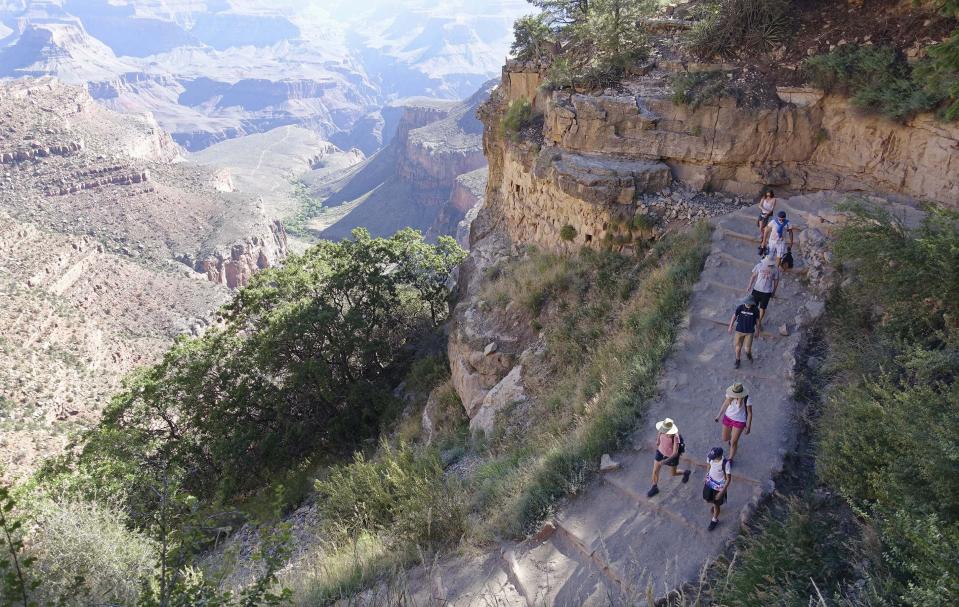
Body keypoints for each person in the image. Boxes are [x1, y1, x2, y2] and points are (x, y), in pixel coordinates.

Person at [646, 417, 691, 498]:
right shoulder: (662, 429)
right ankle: (654, 487)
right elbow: (659, 433)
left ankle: (685, 472)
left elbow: (675, 453)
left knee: (673, 473)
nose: (665, 432)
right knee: (655, 470)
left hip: (670, 457)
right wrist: (658, 441)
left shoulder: (676, 437)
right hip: (660, 452)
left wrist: (665, 461)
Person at [714, 383, 752, 462]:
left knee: (734, 442)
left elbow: (750, 413)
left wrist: (748, 426)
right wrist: (718, 415)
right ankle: (731, 438)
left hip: (739, 421)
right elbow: (725, 404)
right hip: (728, 418)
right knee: (725, 438)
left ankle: (730, 459)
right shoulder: (729, 395)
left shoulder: (747, 399)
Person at [745, 255, 781, 333]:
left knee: (763, 308)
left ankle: (758, 322)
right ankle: (751, 320)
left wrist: (774, 291)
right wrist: (749, 285)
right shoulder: (759, 265)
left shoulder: (775, 269)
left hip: (767, 291)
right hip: (757, 289)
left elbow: (776, 281)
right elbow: (753, 276)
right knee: (753, 306)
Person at [703, 446, 732, 531]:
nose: (711, 458)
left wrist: (721, 492)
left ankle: (714, 520)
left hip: (719, 487)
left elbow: (728, 478)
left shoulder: (725, 463)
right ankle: (714, 504)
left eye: (713, 457)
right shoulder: (710, 457)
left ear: (719, 456)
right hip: (709, 483)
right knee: (707, 498)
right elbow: (709, 465)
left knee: (716, 505)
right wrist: (707, 474)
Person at [728, 295, 758, 369]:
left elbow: (757, 321)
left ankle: (749, 355)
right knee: (738, 348)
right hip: (739, 331)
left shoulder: (755, 310)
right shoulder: (740, 307)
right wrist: (730, 326)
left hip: (749, 332)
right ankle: (737, 360)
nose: (748, 304)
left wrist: (758, 330)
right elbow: (734, 316)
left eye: (750, 303)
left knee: (747, 349)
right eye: (747, 302)